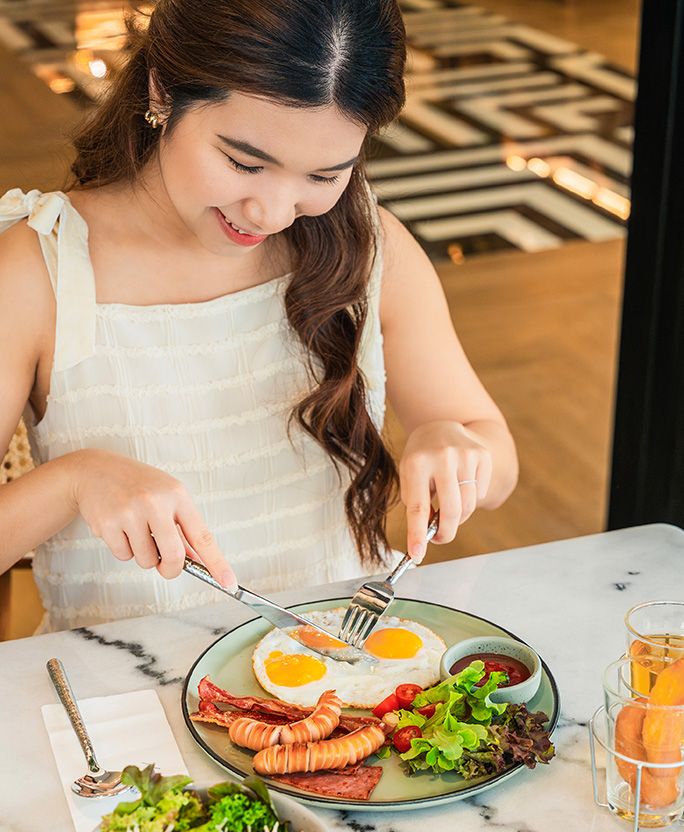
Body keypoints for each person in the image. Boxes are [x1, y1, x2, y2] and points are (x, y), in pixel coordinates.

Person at [0, 0, 517, 633]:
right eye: (244, 163)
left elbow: (494, 452)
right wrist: (73, 481)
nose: (272, 212)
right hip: (123, 697)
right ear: (164, 88)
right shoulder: (39, 268)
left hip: (340, 686)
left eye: (324, 174)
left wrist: (456, 443)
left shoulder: (369, 246)